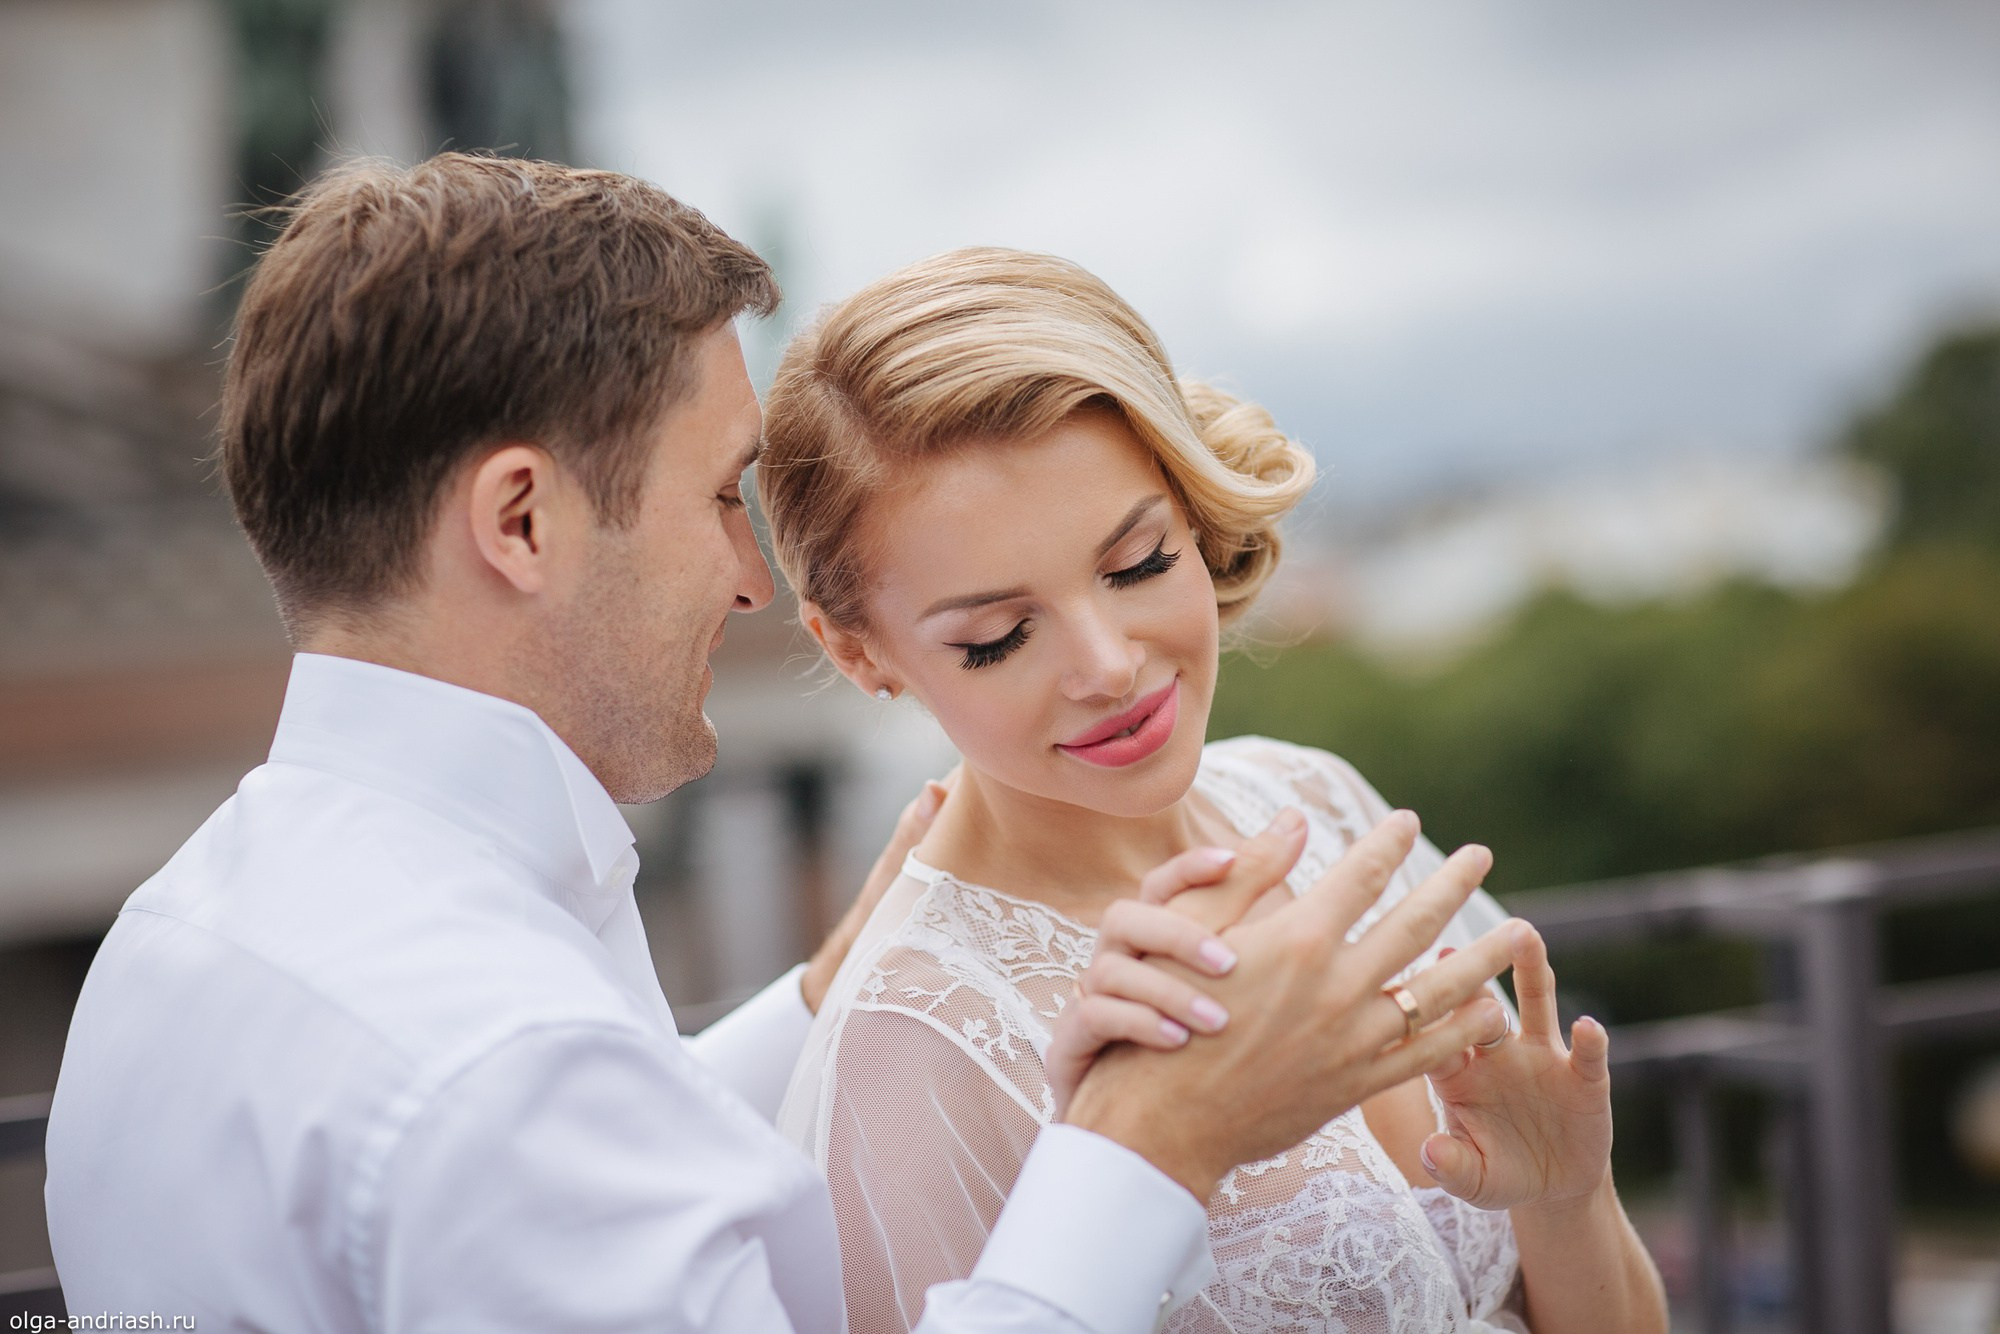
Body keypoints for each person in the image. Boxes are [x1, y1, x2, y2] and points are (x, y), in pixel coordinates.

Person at [42, 154, 1521, 1332]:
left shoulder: (173, 947)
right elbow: (519, 1133)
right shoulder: (502, 1062)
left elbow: (546, 1174)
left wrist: (816, 998)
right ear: (519, 521)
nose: (750, 578)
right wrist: (1148, 1152)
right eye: (714, 496)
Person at [757, 247, 1670, 1333]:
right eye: (997, 636)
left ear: (1190, 512)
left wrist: (1565, 1193)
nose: (1106, 663)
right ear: (862, 655)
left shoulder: (1316, 801)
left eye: (1137, 563)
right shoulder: (915, 1049)